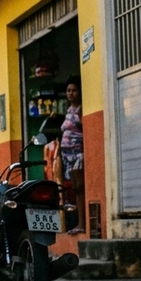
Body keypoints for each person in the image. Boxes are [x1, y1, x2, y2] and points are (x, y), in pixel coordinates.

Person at [61, 76, 84, 234]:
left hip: (78, 155)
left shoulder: (81, 109)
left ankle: (81, 223)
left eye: (74, 90)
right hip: (67, 156)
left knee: (80, 188)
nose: (71, 93)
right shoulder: (69, 110)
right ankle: (76, 222)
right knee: (73, 190)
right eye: (68, 90)